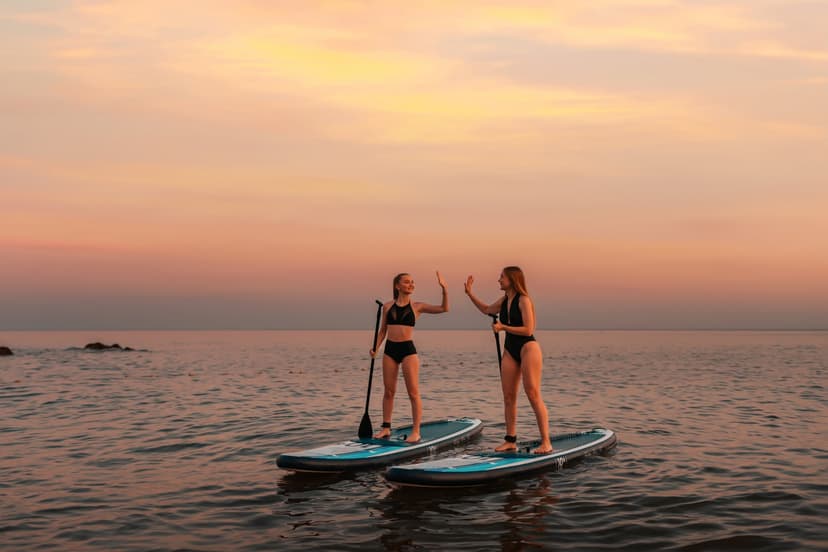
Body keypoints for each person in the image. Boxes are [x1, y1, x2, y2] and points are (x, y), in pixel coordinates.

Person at [464, 266, 553, 454]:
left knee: (532, 393)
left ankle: (546, 442)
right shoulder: (505, 300)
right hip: (510, 350)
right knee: (508, 396)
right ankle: (510, 440)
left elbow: (528, 329)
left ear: (512, 279)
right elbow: (487, 309)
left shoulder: (524, 300)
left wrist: (503, 327)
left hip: (528, 348)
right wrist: (470, 294)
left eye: (501, 277)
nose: (499, 280)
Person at [370, 271, 448, 442]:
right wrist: (375, 347)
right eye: (406, 282)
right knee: (389, 391)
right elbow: (383, 330)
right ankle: (386, 428)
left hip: (408, 351)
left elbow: (444, 309)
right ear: (397, 286)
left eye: (412, 282)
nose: (411, 284)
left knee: (413, 392)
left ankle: (416, 431)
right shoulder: (387, 306)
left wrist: (444, 290)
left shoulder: (417, 307)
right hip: (390, 350)